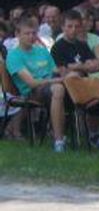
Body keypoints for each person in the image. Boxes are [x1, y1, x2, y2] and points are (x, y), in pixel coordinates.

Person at [51, 9, 99, 149]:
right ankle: (59, 140)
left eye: (77, 26)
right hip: (68, 90)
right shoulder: (58, 47)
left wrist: (78, 66)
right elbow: (64, 72)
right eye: (69, 26)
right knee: (73, 77)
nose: (73, 30)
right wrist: (85, 66)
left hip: (84, 86)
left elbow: (98, 65)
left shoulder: (82, 45)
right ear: (62, 27)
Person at [5, 17, 68, 151]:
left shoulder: (42, 51)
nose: (31, 37)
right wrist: (54, 81)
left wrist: (68, 74)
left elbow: (56, 71)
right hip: (31, 92)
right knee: (58, 88)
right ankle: (59, 140)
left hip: (51, 86)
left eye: (34, 33)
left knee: (70, 84)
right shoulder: (14, 56)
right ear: (17, 34)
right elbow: (31, 83)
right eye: (27, 33)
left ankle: (93, 135)